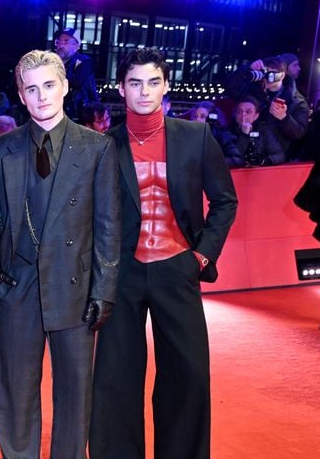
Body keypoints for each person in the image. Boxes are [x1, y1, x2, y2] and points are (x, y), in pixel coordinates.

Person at [90, 47, 237, 459]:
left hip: (178, 265)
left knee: (188, 375)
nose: (144, 91)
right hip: (123, 272)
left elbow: (225, 201)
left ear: (166, 85)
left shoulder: (196, 136)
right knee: (116, 377)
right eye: (135, 83)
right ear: (121, 89)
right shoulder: (104, 145)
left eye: (153, 82)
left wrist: (202, 256)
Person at [0, 49, 120, 458]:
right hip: (17, 288)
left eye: (49, 85)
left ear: (65, 87)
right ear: (21, 96)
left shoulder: (96, 147)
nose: (42, 96)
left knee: (75, 395)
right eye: (32, 89)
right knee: (15, 392)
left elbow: (109, 224)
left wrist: (104, 290)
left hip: (74, 290)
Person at [53, 27, 100, 122]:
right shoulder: (53, 63)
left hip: (80, 114)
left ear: (76, 45)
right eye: (59, 42)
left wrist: (57, 65)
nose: (61, 45)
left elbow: (76, 83)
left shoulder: (84, 61)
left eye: (66, 42)